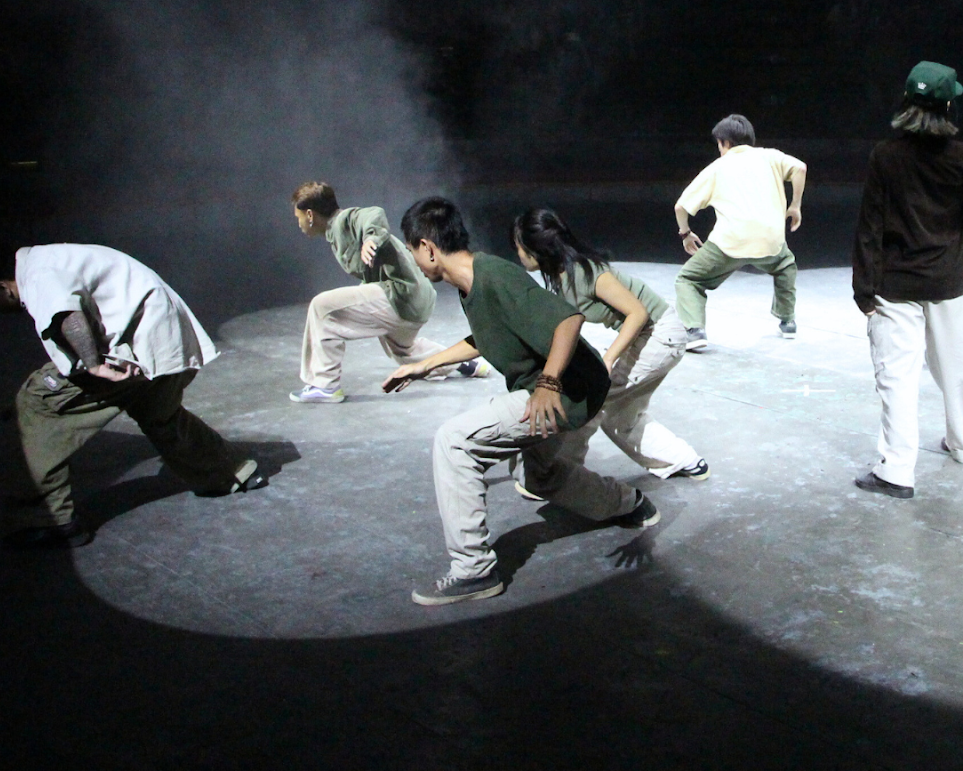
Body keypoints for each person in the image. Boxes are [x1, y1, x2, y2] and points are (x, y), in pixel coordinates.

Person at [385, 197, 658, 606]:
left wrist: (548, 383)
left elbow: (568, 320)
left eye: (412, 251)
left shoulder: (494, 275)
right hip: (567, 388)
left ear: (427, 247)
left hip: (564, 391)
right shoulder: (471, 283)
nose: (415, 261)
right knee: (539, 477)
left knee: (455, 442)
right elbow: (485, 335)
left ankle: (473, 571)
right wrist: (427, 364)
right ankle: (629, 504)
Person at [0, 242, 265, 548]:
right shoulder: (48, 258)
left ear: (2, 288)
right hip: (167, 342)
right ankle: (232, 471)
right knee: (157, 413)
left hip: (137, 346)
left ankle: (51, 520)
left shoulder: (37, 274)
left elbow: (68, 316)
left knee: (37, 402)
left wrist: (94, 366)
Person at [851, 62, 963, 499]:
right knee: (955, 369)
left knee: (897, 379)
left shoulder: (885, 155)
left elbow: (870, 224)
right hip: (948, 281)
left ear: (905, 101)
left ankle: (896, 471)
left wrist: (863, 287)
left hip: (895, 284)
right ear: (950, 106)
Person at [510, 207, 709, 486]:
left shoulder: (584, 272)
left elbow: (637, 313)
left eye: (519, 246)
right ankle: (684, 460)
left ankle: (559, 473)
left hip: (660, 336)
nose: (517, 253)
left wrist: (608, 359)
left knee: (591, 401)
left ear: (536, 248)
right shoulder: (561, 275)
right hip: (648, 337)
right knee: (621, 417)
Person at [289, 181, 489, 403]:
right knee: (405, 351)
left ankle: (325, 385)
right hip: (414, 298)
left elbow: (374, 214)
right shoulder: (335, 233)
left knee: (322, 307)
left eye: (298, 217)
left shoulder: (345, 219)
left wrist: (371, 238)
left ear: (310, 214)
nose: (298, 223)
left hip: (403, 293)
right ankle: (463, 363)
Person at [673, 115, 807, 350]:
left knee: (688, 279)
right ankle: (788, 321)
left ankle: (695, 331)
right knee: (785, 264)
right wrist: (795, 205)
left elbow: (680, 207)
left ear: (724, 142)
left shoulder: (717, 167)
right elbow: (800, 168)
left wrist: (686, 233)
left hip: (729, 244)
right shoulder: (770, 156)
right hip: (770, 242)